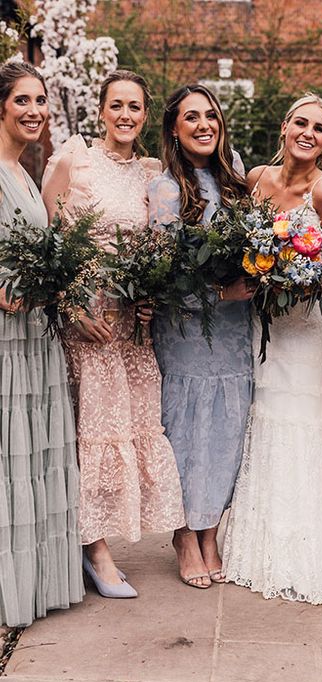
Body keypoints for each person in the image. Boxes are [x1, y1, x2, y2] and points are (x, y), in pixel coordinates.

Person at [42, 70, 186, 598]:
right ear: (100, 110)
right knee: (93, 431)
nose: (126, 115)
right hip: (88, 320)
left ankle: (99, 541)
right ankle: (96, 550)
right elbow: (47, 245)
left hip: (131, 324)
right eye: (117, 105)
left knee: (130, 426)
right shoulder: (72, 160)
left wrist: (151, 292)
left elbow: (161, 246)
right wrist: (69, 302)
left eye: (136, 107)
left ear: (146, 116)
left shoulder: (152, 172)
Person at [222, 94, 322, 605]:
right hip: (265, 318)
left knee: (300, 417)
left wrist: (298, 283)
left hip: (308, 321)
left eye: (319, 129)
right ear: (284, 126)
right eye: (302, 122)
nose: (308, 133)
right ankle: (257, 544)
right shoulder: (256, 179)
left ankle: (305, 550)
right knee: (266, 410)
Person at [148, 84, 252, 590]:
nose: (204, 125)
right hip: (189, 327)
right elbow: (165, 272)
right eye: (192, 118)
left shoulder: (234, 179)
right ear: (174, 128)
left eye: (211, 115)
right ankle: (184, 533)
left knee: (228, 426)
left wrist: (256, 274)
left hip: (235, 329)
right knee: (187, 429)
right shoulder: (168, 189)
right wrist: (216, 288)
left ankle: (210, 530)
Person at [0, 61, 83, 623]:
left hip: (35, 333)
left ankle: (33, 582)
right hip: (6, 336)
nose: (35, 111)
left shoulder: (24, 170)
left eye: (41, 100)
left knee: (31, 456)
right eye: (23, 100)